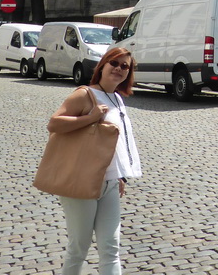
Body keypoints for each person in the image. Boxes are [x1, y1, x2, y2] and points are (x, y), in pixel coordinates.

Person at [47, 46, 142, 275]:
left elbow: (114, 143)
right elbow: (54, 124)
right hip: (81, 181)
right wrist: (91, 117)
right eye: (114, 63)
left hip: (109, 182)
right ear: (103, 65)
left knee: (111, 247)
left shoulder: (117, 98)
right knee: (79, 247)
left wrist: (119, 174)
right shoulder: (85, 94)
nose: (119, 69)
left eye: (125, 66)